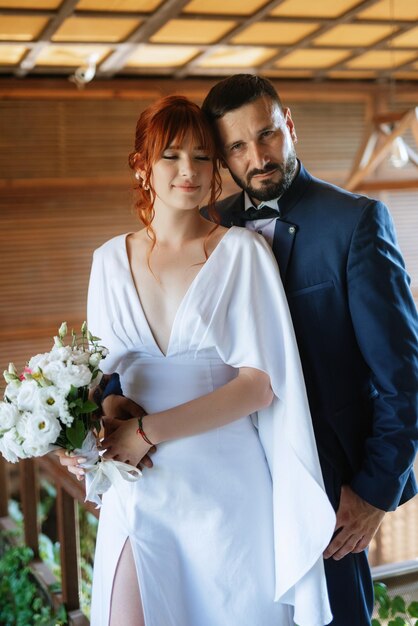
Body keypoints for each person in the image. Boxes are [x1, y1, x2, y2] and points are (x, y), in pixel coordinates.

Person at [59, 95, 335, 626]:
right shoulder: (108, 262)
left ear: (216, 169)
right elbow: (102, 378)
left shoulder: (242, 253)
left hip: (224, 486)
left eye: (202, 156)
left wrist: (145, 432)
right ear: (143, 166)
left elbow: (259, 385)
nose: (188, 170)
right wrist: (89, 435)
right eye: (171, 155)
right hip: (139, 483)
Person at [200, 74, 418, 626]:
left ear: (288, 126)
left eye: (267, 135)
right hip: (233, 486)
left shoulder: (356, 222)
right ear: (223, 157)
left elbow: (404, 377)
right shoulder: (208, 229)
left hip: (330, 493)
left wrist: (373, 494)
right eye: (238, 146)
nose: (258, 156)